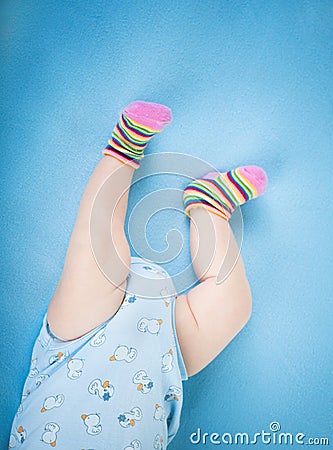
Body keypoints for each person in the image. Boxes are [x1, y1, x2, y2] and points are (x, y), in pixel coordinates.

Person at [8, 101, 267, 449]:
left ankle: (121, 153)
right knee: (233, 305)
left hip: (77, 343)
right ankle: (210, 210)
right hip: (162, 363)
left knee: (97, 249)